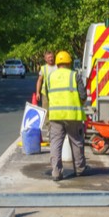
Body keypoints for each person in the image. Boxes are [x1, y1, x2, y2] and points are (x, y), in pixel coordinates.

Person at [45, 50, 88, 182]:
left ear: (57, 64)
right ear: (69, 63)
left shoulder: (50, 77)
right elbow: (83, 95)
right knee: (76, 142)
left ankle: (56, 173)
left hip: (55, 116)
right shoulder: (75, 75)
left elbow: (48, 95)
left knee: (55, 144)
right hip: (72, 116)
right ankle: (80, 169)